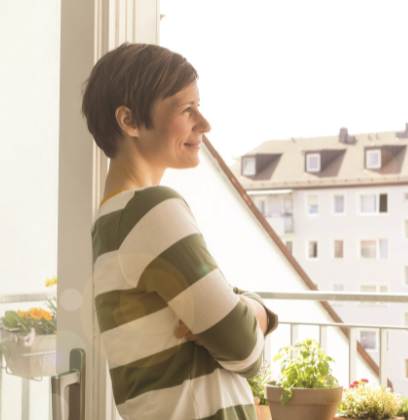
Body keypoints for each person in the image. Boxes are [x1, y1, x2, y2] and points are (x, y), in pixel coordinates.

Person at [83, 43, 278, 420]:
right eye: (186, 109)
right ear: (129, 121)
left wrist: (235, 307)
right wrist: (260, 311)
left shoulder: (110, 222)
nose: (204, 124)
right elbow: (244, 350)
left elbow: (226, 322)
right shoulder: (151, 209)